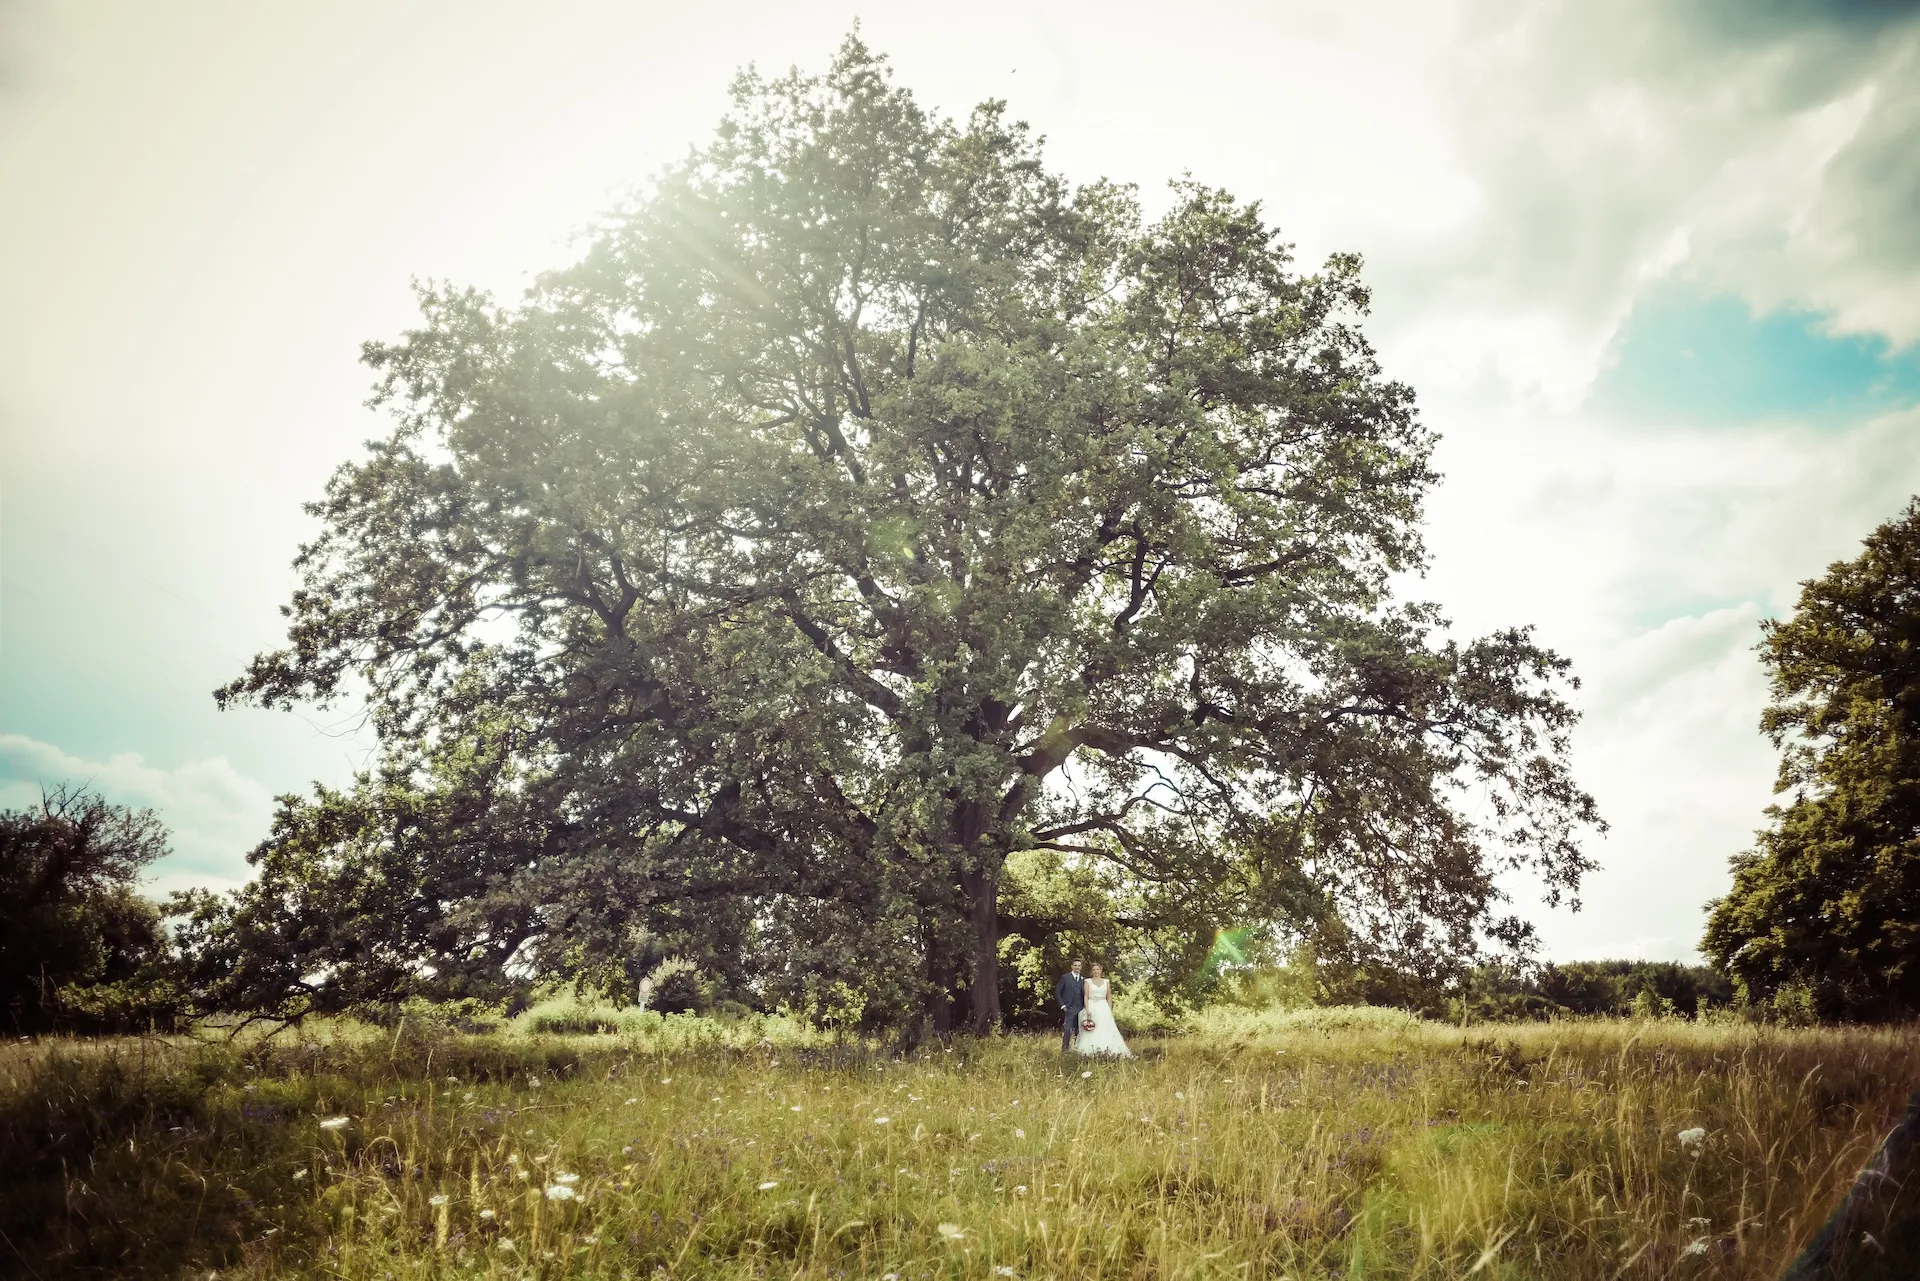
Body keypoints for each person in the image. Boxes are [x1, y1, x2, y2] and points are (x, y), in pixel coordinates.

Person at [1075, 963, 1132, 1058]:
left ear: (1101, 970)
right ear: (1092, 971)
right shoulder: (1088, 981)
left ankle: (1109, 1051)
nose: (1096, 971)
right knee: (1092, 1029)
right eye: (1094, 970)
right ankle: (1090, 1052)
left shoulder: (1106, 981)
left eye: (1097, 969)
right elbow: (1086, 996)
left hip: (1103, 1006)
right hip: (1092, 1005)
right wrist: (1087, 1009)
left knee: (1105, 1028)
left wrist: (1109, 1009)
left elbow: (1109, 996)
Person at [1055, 959, 1085, 1052]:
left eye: (1079, 965)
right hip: (1069, 1008)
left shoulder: (1083, 980)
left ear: (1081, 967)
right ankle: (1065, 1051)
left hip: (1080, 1008)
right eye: (1075, 965)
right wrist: (1063, 1006)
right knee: (1067, 1030)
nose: (1077, 967)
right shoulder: (1065, 977)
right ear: (1072, 966)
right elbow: (1057, 992)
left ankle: (1077, 1050)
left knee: (1079, 1031)